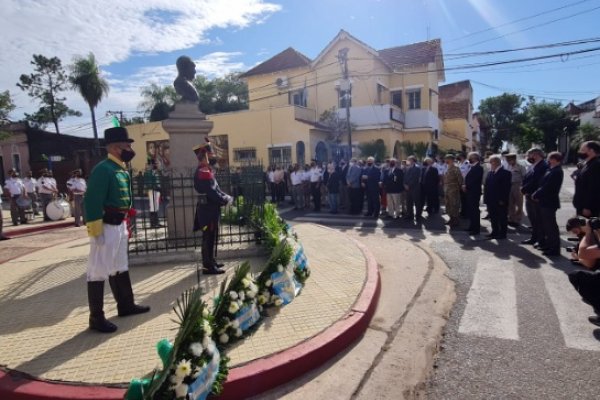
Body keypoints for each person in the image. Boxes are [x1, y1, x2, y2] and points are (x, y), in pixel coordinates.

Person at [83, 127, 150, 333]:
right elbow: (92, 200)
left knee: (120, 265)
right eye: (126, 146)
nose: (130, 149)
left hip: (119, 224)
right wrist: (95, 229)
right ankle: (96, 317)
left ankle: (126, 305)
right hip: (105, 225)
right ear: (113, 147)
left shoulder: (119, 168)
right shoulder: (103, 169)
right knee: (98, 270)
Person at [192, 138, 232, 275]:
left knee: (211, 237)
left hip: (210, 210)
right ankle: (208, 266)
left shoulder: (207, 170)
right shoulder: (203, 171)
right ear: (204, 156)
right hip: (208, 211)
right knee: (208, 237)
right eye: (210, 153)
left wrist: (225, 196)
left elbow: (216, 189)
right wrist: (224, 200)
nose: (213, 155)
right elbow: (211, 191)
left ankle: (211, 261)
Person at [531, 151, 564, 256]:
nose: (548, 160)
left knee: (551, 227)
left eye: (550, 158)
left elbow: (548, 187)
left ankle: (554, 249)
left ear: (555, 159)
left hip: (549, 202)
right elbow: (542, 183)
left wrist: (536, 194)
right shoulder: (551, 169)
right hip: (544, 201)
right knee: (545, 226)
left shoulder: (557, 171)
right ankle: (548, 245)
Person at [520, 148, 548, 246]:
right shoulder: (533, 165)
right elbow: (527, 178)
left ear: (536, 154)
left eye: (529, 155)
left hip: (535, 196)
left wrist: (524, 189)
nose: (528, 157)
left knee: (538, 220)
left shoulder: (543, 166)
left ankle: (541, 240)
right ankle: (534, 237)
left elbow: (537, 181)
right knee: (533, 220)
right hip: (529, 196)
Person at [483, 155, 512, 239]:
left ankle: (502, 234)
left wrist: (502, 199)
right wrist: (486, 199)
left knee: (502, 217)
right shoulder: (490, 173)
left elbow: (506, 188)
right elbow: (487, 187)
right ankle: (494, 232)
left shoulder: (506, 173)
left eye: (490, 162)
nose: (489, 164)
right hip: (491, 200)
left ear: (495, 162)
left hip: (500, 200)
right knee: (493, 217)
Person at [573, 140, 600, 218]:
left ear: (591, 151)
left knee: (587, 229)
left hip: (588, 207)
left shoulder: (596, 164)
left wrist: (587, 206)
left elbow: (594, 188)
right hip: (581, 204)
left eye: (582, 150)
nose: (580, 152)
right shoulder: (588, 163)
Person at [462, 152, 483, 235]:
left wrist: (466, 186)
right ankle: (471, 226)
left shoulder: (479, 167)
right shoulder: (472, 167)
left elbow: (475, 180)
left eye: (470, 158)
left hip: (474, 192)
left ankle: (476, 229)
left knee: (474, 211)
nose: (469, 159)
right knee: (471, 210)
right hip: (470, 191)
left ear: (475, 158)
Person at [505, 154, 526, 227]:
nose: (508, 161)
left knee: (519, 203)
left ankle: (518, 219)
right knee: (510, 203)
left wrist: (522, 187)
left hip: (518, 185)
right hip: (509, 185)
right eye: (507, 160)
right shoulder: (507, 166)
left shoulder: (520, 166)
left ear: (513, 159)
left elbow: (525, 177)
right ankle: (511, 219)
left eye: (509, 160)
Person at [443, 154, 463, 227]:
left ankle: (456, 220)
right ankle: (451, 218)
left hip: (453, 189)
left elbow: (460, 179)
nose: (445, 160)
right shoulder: (446, 167)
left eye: (446, 159)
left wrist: (459, 187)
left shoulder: (456, 168)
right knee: (448, 204)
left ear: (451, 159)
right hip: (446, 189)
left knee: (454, 205)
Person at [143, 163, 163, 228]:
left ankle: (156, 222)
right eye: (156, 164)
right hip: (152, 190)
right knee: (153, 207)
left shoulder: (155, 172)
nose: (157, 165)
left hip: (157, 190)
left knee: (156, 207)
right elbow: (148, 182)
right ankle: (153, 223)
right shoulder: (149, 173)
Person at [403, 156, 422, 220]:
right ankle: (410, 215)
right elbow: (404, 177)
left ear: (413, 161)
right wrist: (405, 184)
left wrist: (409, 185)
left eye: (409, 160)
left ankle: (418, 216)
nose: (408, 161)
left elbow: (415, 178)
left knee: (417, 202)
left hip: (414, 188)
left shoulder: (417, 168)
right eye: (408, 160)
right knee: (409, 202)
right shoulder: (407, 168)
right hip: (407, 188)